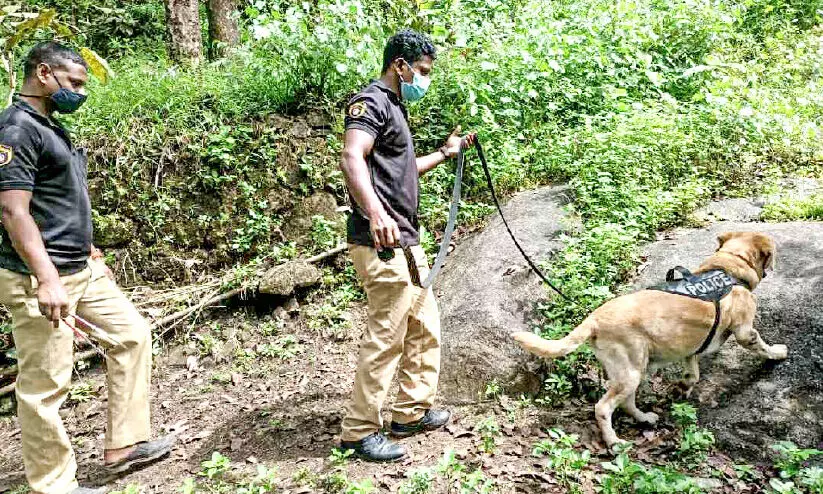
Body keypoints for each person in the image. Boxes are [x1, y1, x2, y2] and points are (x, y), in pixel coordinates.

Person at [0, 42, 175, 494]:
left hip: (79, 265)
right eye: (74, 83)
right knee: (45, 385)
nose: (80, 92)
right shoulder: (16, 131)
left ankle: (125, 444)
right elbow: (13, 212)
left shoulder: (49, 126)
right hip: (39, 274)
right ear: (43, 74)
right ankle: (53, 485)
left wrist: (90, 248)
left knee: (132, 334)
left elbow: (57, 201)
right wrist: (47, 278)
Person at [338, 29, 475, 462]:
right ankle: (358, 431)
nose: (423, 79)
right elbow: (351, 157)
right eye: (422, 71)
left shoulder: (395, 108)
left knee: (423, 325)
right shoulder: (372, 102)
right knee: (387, 335)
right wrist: (376, 214)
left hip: (405, 239)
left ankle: (410, 412)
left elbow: (403, 171)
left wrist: (445, 153)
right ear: (400, 65)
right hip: (381, 240)